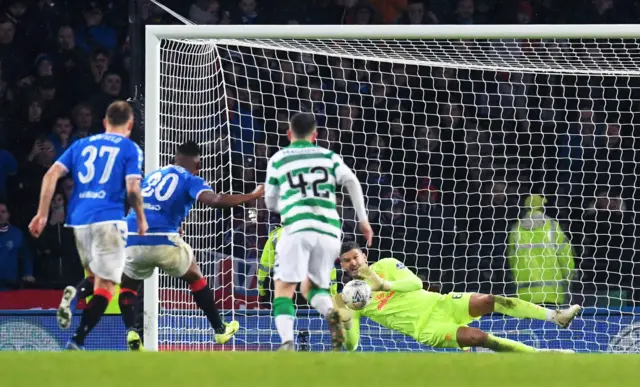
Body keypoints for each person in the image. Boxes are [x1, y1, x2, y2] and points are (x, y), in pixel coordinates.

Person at [120, 140, 264, 350]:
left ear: (174, 158)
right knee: (195, 275)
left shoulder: (153, 175)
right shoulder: (190, 179)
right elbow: (215, 200)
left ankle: (131, 331)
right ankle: (220, 329)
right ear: (198, 165)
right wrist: (252, 196)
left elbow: (134, 198)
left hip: (132, 236)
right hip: (163, 240)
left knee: (128, 285)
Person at [28, 101, 147, 350]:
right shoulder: (130, 148)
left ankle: (75, 306)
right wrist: (141, 218)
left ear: (104, 122)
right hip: (109, 218)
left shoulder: (81, 144)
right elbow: (133, 189)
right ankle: (76, 337)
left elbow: (50, 175)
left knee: (95, 278)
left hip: (79, 220)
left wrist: (41, 214)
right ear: (130, 125)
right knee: (108, 286)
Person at [335, 241, 582, 353]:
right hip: (427, 328)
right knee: (478, 337)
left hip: (441, 303)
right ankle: (539, 356)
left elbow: (416, 283)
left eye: (355, 256)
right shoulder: (352, 298)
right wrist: (346, 321)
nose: (353, 262)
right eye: (347, 260)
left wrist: (384, 284)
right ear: (342, 265)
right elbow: (352, 345)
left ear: (364, 255)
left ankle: (556, 315)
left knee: (489, 300)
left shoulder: (387, 265)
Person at [263, 112, 372, 351]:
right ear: (315, 135)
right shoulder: (328, 156)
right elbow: (353, 182)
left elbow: (270, 202)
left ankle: (287, 342)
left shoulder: (279, 158)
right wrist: (363, 221)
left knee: (284, 287)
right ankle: (332, 313)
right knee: (313, 288)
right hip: (329, 230)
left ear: (289, 133)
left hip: (297, 228)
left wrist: (287, 205)